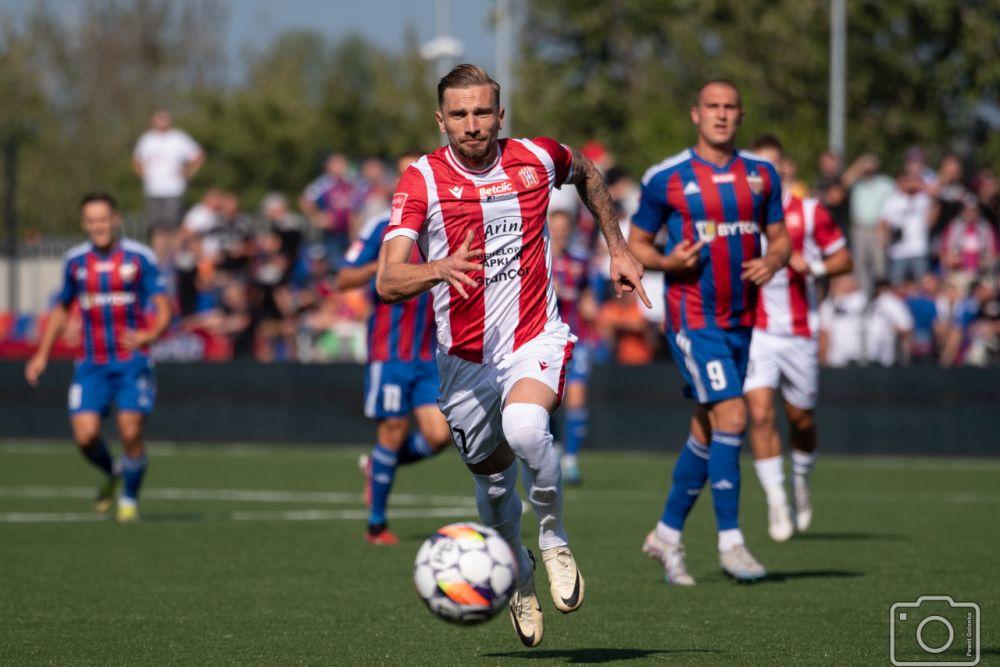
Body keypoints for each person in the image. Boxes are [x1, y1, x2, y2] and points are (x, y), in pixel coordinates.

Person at [375, 64, 648, 647]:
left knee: (527, 430)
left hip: (534, 334)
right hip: (464, 358)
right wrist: (438, 269)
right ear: (440, 119)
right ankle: (516, 573)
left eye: (482, 112)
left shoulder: (536, 158)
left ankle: (552, 538)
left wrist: (617, 246)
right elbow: (388, 279)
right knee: (494, 483)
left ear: (501, 114)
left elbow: (588, 173)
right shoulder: (420, 181)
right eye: (459, 114)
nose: (472, 125)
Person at [628, 79, 790, 585]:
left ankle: (667, 534)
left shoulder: (762, 176)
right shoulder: (667, 178)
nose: (721, 115)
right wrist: (666, 260)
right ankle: (732, 542)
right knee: (733, 415)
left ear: (740, 116)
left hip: (741, 319)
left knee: (709, 425)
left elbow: (781, 239)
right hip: (693, 318)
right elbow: (637, 245)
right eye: (712, 107)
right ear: (695, 114)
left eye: (730, 107)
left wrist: (772, 260)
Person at [24, 193, 171, 522]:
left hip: (132, 361)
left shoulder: (139, 257)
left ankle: (129, 500)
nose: (98, 226)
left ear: (115, 219)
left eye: (103, 219)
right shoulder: (75, 261)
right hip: (91, 363)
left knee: (130, 432)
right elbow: (62, 308)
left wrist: (151, 334)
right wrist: (42, 354)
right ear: (84, 224)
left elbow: (163, 305)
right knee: (85, 436)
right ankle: (113, 471)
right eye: (91, 221)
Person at [741, 135, 853, 543]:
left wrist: (816, 267)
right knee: (761, 414)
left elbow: (845, 259)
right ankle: (776, 500)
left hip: (802, 332)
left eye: (769, 166)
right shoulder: (738, 215)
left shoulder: (809, 212)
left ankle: (801, 481)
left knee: (800, 419)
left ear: (784, 169)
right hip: (756, 331)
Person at [337, 151, 453, 545]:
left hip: (430, 353)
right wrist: (387, 265)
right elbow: (344, 278)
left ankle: (377, 466)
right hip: (390, 351)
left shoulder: (445, 221)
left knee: (440, 435)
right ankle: (376, 524)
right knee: (393, 428)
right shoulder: (380, 227)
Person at [548, 209, 598, 485]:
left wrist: (590, 304)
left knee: (577, 397)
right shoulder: (537, 258)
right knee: (549, 401)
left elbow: (589, 294)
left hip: (575, 338)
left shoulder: (580, 260)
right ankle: (553, 452)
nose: (560, 233)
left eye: (565, 228)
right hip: (545, 341)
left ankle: (571, 460)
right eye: (556, 228)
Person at [132, 110, 205, 264]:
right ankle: (159, 262)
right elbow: (136, 160)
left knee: (172, 228)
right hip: (153, 190)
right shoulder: (147, 140)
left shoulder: (178, 138)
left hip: (173, 190)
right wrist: (145, 175)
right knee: (157, 229)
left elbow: (198, 156)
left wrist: (188, 172)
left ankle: (172, 261)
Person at [300, 153, 357, 264]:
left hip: (350, 232)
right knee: (335, 265)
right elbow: (305, 200)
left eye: (342, 164)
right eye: (336, 164)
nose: (340, 167)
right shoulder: (323, 184)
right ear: (328, 166)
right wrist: (317, 217)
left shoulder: (350, 182)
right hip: (332, 235)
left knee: (351, 263)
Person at [881, 172, 933, 285]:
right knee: (896, 284)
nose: (908, 184)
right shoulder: (892, 200)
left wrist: (921, 186)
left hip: (918, 249)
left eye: (911, 181)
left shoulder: (923, 199)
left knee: (923, 284)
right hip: (898, 251)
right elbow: (883, 223)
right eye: (905, 181)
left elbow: (935, 196)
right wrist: (885, 239)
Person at [818, 274, 867, 367]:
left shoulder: (861, 299)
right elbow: (824, 334)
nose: (844, 283)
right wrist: (823, 359)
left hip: (859, 357)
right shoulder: (828, 305)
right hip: (836, 359)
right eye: (839, 281)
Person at [864, 279, 915, 367]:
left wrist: (892, 330)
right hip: (869, 352)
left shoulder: (892, 302)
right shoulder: (873, 302)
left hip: (885, 354)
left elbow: (906, 326)